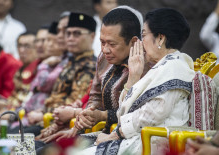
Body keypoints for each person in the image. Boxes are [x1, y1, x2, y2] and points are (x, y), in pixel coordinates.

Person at [76, 8, 195, 155]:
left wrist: (114, 136)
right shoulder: (161, 67)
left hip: (150, 143)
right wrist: (133, 76)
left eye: (143, 35)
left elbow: (151, 116)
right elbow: (123, 113)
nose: (140, 41)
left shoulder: (175, 68)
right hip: (133, 138)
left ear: (160, 38)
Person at [36, 6, 145, 144]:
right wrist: (78, 125)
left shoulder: (145, 67)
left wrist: (100, 116)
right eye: (102, 42)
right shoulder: (104, 59)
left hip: (127, 138)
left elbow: (138, 113)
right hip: (100, 132)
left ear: (134, 42)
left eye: (112, 44)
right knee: (40, 146)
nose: (105, 50)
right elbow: (95, 96)